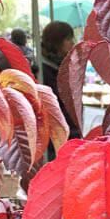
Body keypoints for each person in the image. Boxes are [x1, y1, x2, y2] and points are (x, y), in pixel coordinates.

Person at [41, 21, 80, 149]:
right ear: (56, 42)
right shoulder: (44, 70)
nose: (72, 42)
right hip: (56, 136)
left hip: (69, 130)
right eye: (68, 39)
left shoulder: (61, 64)